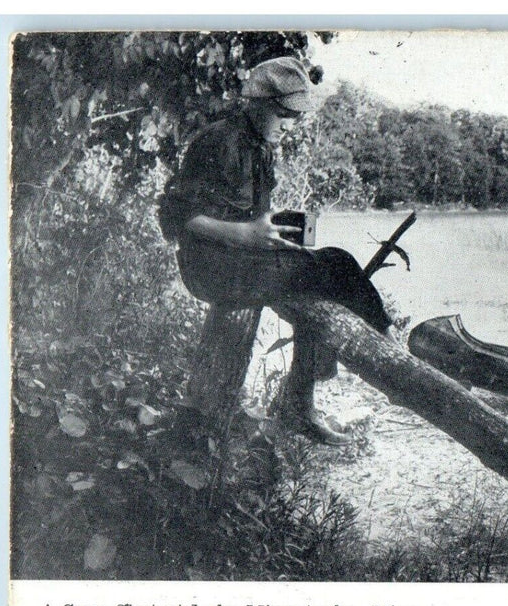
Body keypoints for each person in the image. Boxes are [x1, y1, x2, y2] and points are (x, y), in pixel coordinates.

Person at [159, 56, 394, 445]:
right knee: (330, 269)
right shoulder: (218, 141)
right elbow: (176, 217)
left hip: (239, 260)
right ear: (257, 103)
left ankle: (304, 398)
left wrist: (270, 230)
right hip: (209, 267)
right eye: (285, 114)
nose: (292, 124)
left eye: (297, 115)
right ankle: (380, 356)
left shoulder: (261, 145)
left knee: (328, 267)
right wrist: (247, 235)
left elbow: (253, 216)